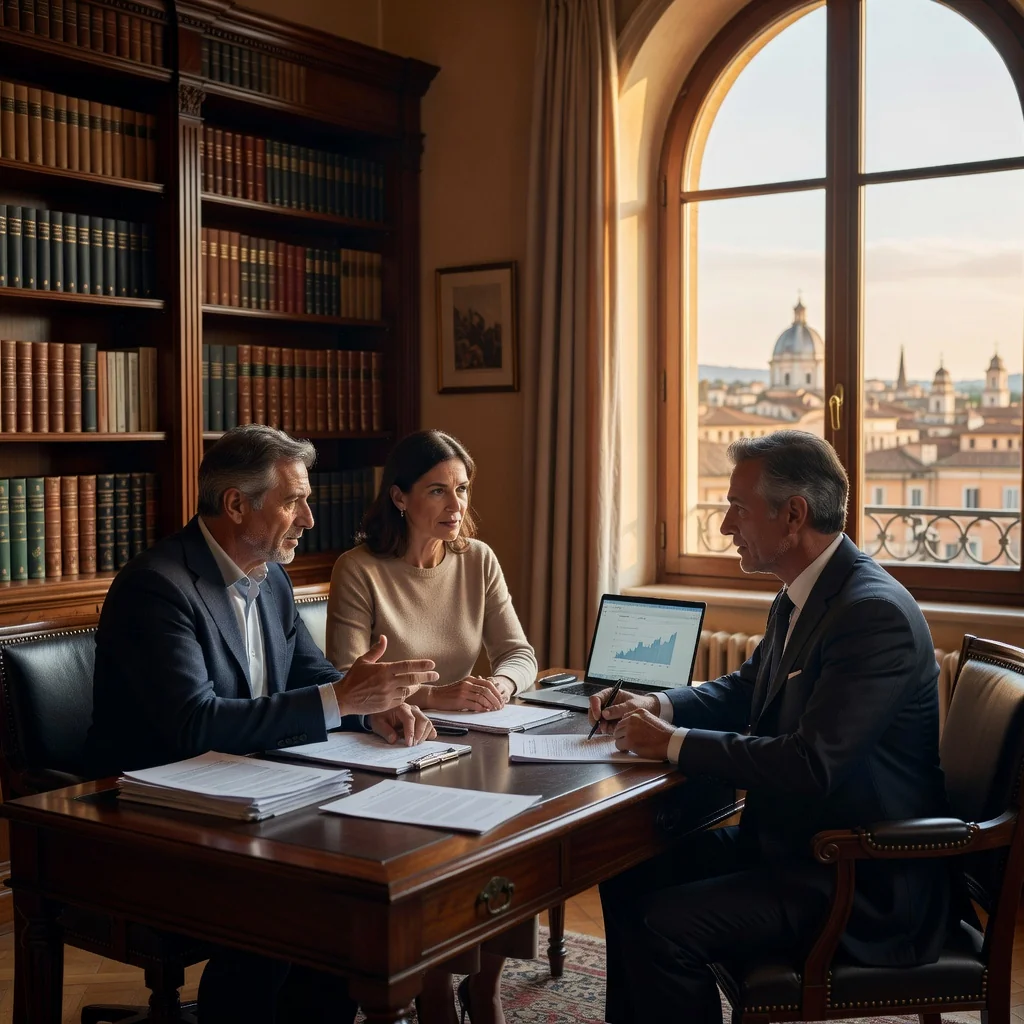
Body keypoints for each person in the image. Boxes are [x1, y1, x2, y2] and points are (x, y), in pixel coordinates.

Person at [592, 430, 955, 1024]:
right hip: (793, 847)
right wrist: (660, 705)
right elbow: (744, 689)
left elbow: (811, 764)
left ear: (793, 515)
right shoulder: (803, 593)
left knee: (660, 926)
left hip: (857, 878)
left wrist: (673, 745)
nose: (725, 526)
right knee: (624, 870)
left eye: (738, 508)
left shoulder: (872, 614)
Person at [88, 424, 440, 1024]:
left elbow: (310, 673)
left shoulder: (271, 576)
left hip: (252, 792)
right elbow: (195, 724)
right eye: (292, 501)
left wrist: (370, 705)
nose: (308, 518)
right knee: (299, 902)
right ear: (235, 504)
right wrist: (338, 699)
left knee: (349, 887)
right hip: (154, 818)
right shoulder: (158, 587)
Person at [327, 429, 537, 1024]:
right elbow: (347, 677)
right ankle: (436, 990)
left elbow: (520, 654)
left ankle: (485, 988)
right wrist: (436, 695)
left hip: (470, 743)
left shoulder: (478, 560)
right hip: (391, 745)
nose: (455, 505)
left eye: (462, 489)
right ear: (399, 497)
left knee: (517, 837)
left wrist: (501, 686)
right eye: (438, 490)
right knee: (435, 860)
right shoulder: (359, 569)